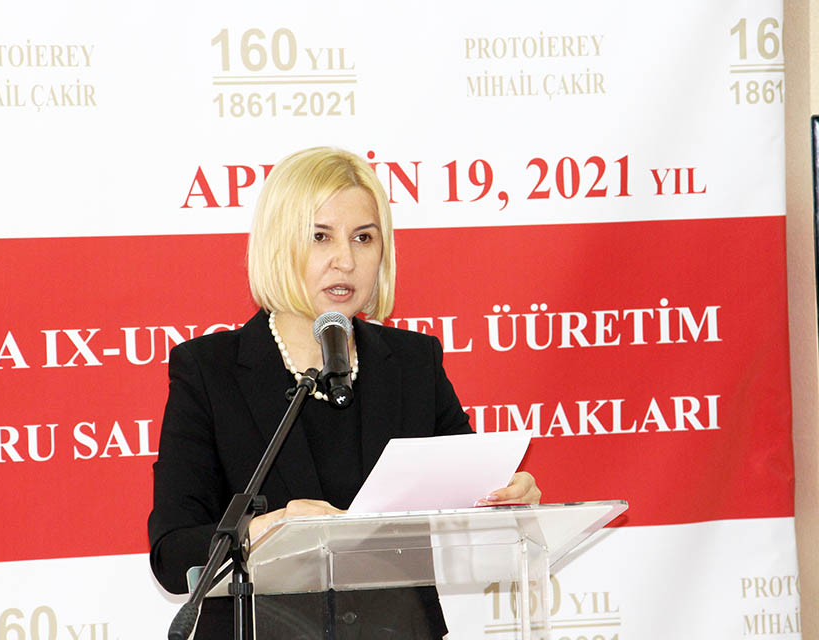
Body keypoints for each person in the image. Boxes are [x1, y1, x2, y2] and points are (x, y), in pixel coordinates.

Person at [148, 147, 540, 639]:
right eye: (320, 237)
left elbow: (467, 492)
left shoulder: (413, 364)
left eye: (363, 237)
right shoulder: (210, 371)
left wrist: (507, 498)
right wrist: (264, 530)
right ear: (278, 244)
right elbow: (173, 553)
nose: (346, 260)